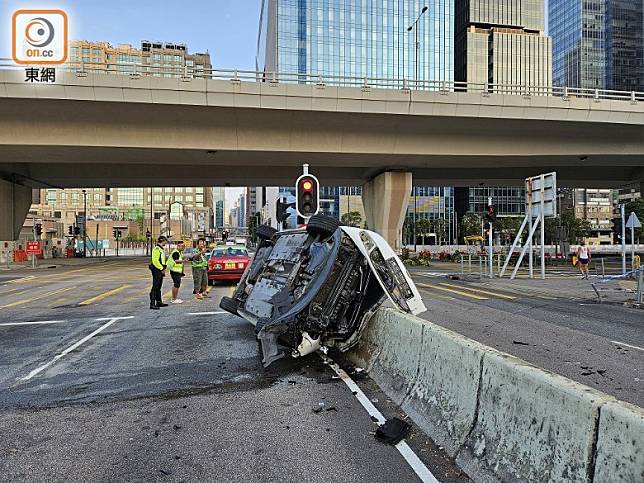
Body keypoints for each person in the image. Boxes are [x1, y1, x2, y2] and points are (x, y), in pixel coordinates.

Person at [149, 236, 169, 310]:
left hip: (160, 269)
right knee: (155, 286)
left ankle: (159, 302)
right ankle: (152, 304)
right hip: (157, 270)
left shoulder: (161, 249)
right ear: (162, 241)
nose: (166, 243)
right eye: (165, 241)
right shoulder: (156, 249)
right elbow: (155, 261)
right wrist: (161, 268)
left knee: (159, 286)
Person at [166, 240, 186, 304]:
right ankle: (174, 299)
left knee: (177, 284)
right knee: (176, 285)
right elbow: (176, 261)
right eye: (182, 246)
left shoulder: (179, 252)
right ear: (178, 246)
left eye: (184, 246)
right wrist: (183, 260)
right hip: (175, 271)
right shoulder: (176, 252)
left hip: (177, 271)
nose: (183, 248)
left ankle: (174, 298)